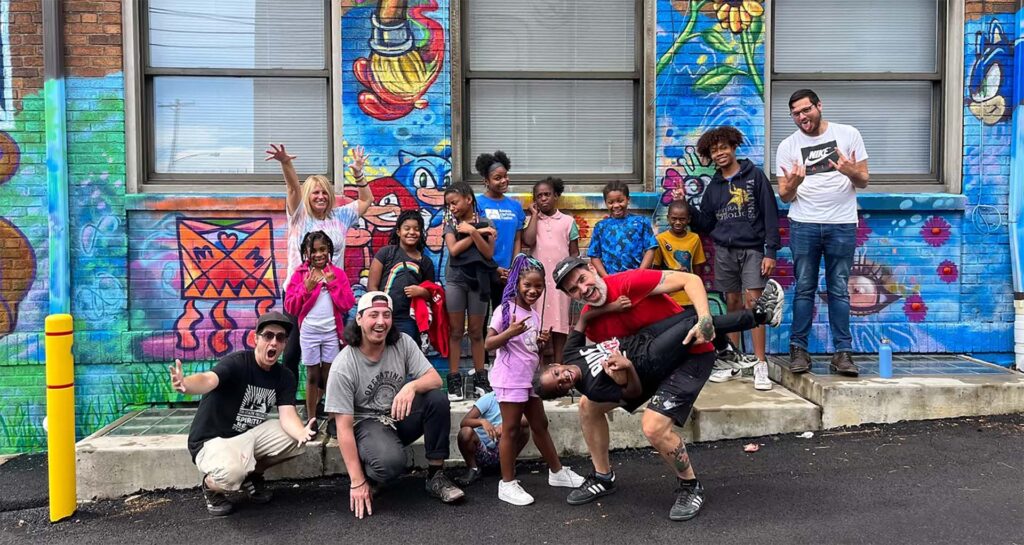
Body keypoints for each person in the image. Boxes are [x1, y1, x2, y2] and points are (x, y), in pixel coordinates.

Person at [533, 284, 783, 520]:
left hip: (642, 339)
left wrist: (612, 307)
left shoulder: (570, 354)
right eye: (561, 386)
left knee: (691, 314)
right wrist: (627, 367)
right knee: (643, 420)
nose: (563, 378)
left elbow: (583, 320)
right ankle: (760, 316)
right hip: (646, 362)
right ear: (564, 392)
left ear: (555, 364)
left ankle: (722, 347)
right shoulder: (593, 387)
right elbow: (633, 394)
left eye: (557, 374)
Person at [549, 257, 714, 509]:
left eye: (582, 279)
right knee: (587, 405)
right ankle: (603, 477)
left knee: (653, 426)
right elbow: (626, 355)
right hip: (647, 366)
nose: (583, 289)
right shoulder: (590, 319)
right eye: (573, 289)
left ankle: (691, 486)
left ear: (592, 269)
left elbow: (690, 279)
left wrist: (704, 320)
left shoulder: (628, 281)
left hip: (689, 355)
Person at [325, 292, 465, 519]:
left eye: (386, 315)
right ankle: (373, 475)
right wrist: (357, 481)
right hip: (366, 423)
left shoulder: (402, 343)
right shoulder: (344, 364)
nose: (381, 322)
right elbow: (342, 427)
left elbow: (435, 379)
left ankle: (436, 476)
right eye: (373, 315)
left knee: (436, 399)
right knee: (390, 463)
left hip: (395, 415)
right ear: (359, 319)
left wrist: (411, 387)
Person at [170, 311, 317, 516]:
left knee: (293, 438)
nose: (273, 342)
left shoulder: (285, 376)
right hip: (213, 440)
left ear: (284, 344)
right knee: (232, 476)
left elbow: (287, 413)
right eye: (268, 336)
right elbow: (208, 379)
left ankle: (253, 475)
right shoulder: (238, 363)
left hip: (246, 436)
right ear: (256, 338)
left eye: (280, 338)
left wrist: (301, 433)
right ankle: (211, 486)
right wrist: (185, 385)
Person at [776, 89, 870, 377]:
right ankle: (799, 350)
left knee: (839, 289)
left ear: (819, 106)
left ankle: (842, 353)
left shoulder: (848, 134)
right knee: (804, 288)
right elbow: (784, 196)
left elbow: (864, 180)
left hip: (841, 224)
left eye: (806, 110)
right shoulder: (787, 146)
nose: (802, 117)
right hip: (803, 224)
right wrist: (793, 182)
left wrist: (849, 170)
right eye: (796, 113)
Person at [266, 143, 372, 386]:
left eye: (325, 192)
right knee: (292, 350)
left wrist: (358, 173)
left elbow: (367, 200)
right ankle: (288, 403)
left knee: (332, 353)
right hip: (300, 291)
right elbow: (293, 187)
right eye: (315, 192)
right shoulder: (299, 215)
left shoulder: (341, 216)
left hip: (332, 294)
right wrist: (286, 163)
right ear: (308, 196)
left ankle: (329, 406)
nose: (321, 196)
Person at [484, 254, 585, 505]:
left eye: (538, 286)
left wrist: (540, 344)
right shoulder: (505, 310)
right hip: (510, 378)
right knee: (511, 429)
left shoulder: (533, 314)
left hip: (529, 378)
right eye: (528, 285)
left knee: (540, 424)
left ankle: (557, 472)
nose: (533, 290)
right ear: (517, 283)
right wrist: (510, 331)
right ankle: (506, 484)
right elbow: (488, 344)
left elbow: (527, 349)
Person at [689, 126, 781, 390]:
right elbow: (705, 223)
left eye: (724, 148)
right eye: (714, 150)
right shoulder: (714, 187)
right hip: (724, 252)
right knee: (732, 305)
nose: (720, 154)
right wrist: (688, 206)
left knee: (755, 305)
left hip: (752, 249)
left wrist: (770, 252)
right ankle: (734, 362)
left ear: (734, 147)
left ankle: (760, 364)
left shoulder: (754, 177)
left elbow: (770, 215)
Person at [284, 231, 355, 437]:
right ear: (306, 252)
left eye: (322, 249)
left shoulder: (337, 274)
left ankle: (332, 417)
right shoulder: (299, 275)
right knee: (313, 375)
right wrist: (306, 288)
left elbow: (347, 304)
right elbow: (291, 307)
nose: (318, 254)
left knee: (330, 374)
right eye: (313, 250)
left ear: (329, 250)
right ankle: (312, 418)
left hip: (332, 331)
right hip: (309, 332)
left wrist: (332, 284)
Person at [443, 181, 497, 401]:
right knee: (456, 332)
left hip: (479, 281)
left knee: (477, 332)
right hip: (456, 281)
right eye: (449, 205)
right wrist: (476, 233)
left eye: (454, 202)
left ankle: (480, 380)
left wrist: (473, 231)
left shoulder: (485, 222)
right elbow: (454, 250)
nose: (452, 208)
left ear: (468, 198)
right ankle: (454, 381)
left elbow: (487, 253)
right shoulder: (449, 223)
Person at [523, 177, 580, 364]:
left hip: (560, 283)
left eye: (547, 194)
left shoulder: (568, 221)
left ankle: (559, 365)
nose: (543, 199)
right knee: (537, 324)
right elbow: (529, 241)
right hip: (537, 283)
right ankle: (537, 368)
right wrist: (533, 216)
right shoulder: (533, 221)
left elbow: (574, 252)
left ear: (556, 195)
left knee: (559, 324)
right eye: (539, 196)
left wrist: (573, 279)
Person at [367, 210, 436, 342]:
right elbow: (372, 286)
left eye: (416, 229)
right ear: (399, 232)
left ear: (421, 233)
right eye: (407, 228)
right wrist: (380, 311)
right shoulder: (386, 253)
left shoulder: (425, 262)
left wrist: (421, 292)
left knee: (405, 354)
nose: (411, 232)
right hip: (384, 316)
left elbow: (432, 294)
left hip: (408, 319)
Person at [453, 391, 530, 487]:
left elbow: (527, 419)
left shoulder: (516, 400)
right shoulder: (489, 399)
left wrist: (506, 425)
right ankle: (473, 469)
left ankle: (507, 466)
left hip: (503, 448)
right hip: (483, 449)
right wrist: (482, 422)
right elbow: (464, 422)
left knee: (523, 429)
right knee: (465, 432)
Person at [474, 150, 526, 283]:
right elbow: (474, 238)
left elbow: (517, 240)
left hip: (508, 273)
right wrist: (495, 268)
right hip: (483, 269)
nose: (504, 181)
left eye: (505, 176)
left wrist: (514, 269)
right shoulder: (477, 203)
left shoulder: (515, 206)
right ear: (486, 181)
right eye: (498, 178)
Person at [586, 181, 658, 277]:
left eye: (620, 201)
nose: (616, 205)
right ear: (606, 203)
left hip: (636, 278)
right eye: (611, 202)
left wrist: (640, 273)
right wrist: (606, 278)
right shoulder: (600, 227)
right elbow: (594, 255)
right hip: (611, 279)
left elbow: (650, 249)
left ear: (628, 199)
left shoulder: (641, 222)